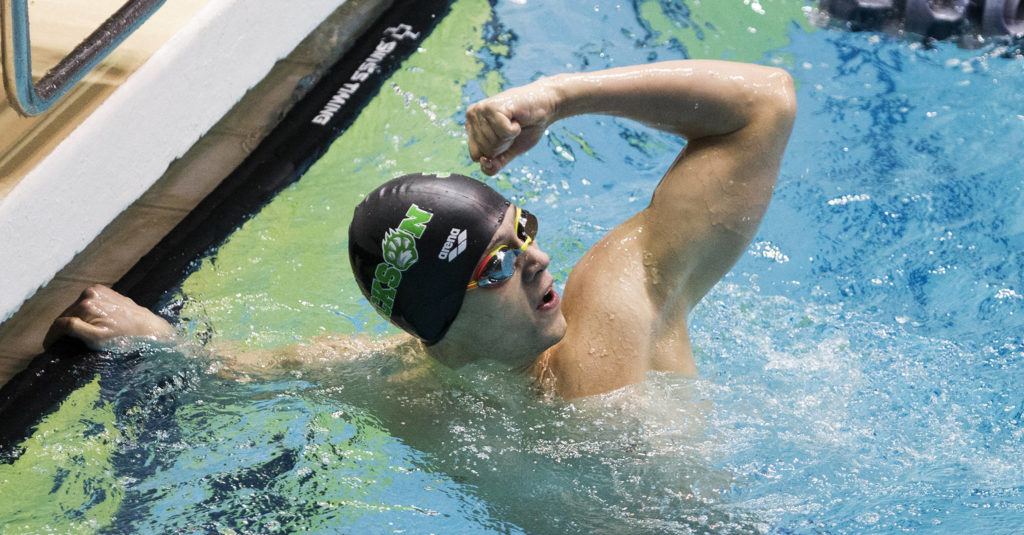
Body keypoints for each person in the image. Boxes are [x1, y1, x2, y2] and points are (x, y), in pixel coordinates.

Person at [48, 60, 796, 398]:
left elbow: (765, 102)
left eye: (522, 231)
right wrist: (162, 345)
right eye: (496, 266)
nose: (538, 261)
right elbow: (255, 369)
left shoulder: (618, 306)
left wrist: (560, 96)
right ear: (437, 323)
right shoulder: (405, 387)